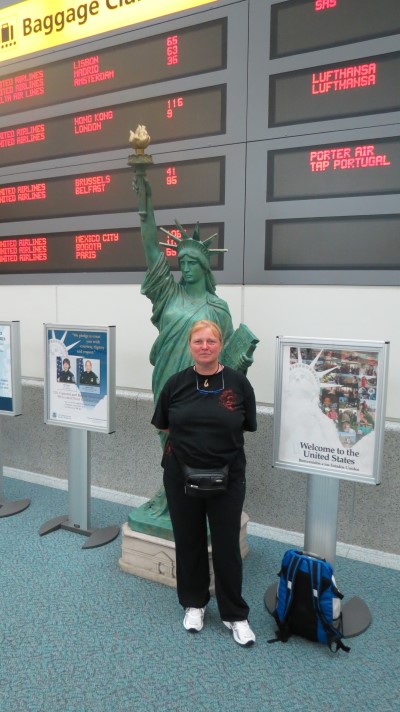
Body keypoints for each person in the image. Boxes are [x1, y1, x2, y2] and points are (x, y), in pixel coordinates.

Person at [130, 172, 257, 522]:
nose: (185, 268)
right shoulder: (168, 295)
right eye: (181, 263)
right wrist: (145, 205)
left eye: (191, 263)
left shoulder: (218, 308)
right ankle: (172, 491)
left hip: (206, 387)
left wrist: (242, 359)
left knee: (202, 436)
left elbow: (227, 359)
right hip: (169, 379)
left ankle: (202, 494)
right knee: (169, 436)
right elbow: (151, 249)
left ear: (204, 267)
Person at [151, 320, 257, 646]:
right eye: (198, 341)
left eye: (211, 341)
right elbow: (164, 425)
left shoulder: (238, 384)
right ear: (190, 345)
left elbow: (246, 425)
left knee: (226, 545)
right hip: (181, 476)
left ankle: (234, 614)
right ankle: (194, 603)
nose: (205, 346)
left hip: (228, 477)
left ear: (220, 344)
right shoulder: (176, 384)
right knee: (189, 540)